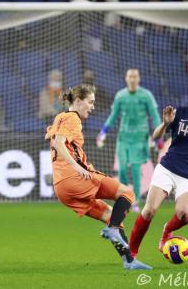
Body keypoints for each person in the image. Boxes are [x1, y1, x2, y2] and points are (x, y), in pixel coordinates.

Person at [45, 84, 151, 270]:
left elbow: (52, 137)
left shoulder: (60, 117)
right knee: (127, 194)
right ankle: (113, 231)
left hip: (61, 188)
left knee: (112, 215)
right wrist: (76, 167)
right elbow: (60, 143)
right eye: (90, 102)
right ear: (78, 101)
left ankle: (129, 261)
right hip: (74, 178)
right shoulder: (72, 118)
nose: (93, 107)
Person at [128, 78, 188, 259]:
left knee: (184, 214)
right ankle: (131, 253)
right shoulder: (179, 113)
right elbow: (156, 137)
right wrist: (165, 123)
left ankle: (167, 231)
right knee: (148, 211)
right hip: (168, 168)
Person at [96, 69, 161, 213]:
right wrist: (103, 132)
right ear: (126, 78)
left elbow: (155, 116)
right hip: (123, 137)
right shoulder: (120, 96)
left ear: (139, 78)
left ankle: (136, 201)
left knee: (136, 170)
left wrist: (158, 136)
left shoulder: (146, 96)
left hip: (139, 138)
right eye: (130, 76)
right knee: (123, 169)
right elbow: (113, 116)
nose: (132, 79)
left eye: (135, 76)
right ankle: (126, 199)